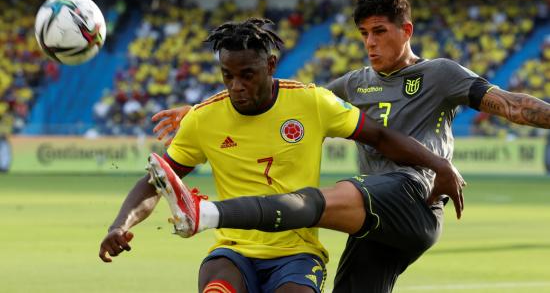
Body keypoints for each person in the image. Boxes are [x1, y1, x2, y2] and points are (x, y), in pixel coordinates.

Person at [150, 0, 550, 293]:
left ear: (406, 31)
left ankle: (208, 215)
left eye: (380, 31)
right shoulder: (354, 84)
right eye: (363, 33)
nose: (370, 42)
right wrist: (204, 109)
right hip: (375, 217)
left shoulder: (440, 73)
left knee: (315, 200)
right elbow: (284, 102)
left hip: (415, 195)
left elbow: (513, 106)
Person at [98, 17, 465, 293]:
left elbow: (381, 136)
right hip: (232, 251)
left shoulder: (310, 102)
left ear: (271, 66)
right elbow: (155, 183)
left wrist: (439, 164)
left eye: (247, 74)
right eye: (227, 75)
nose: (236, 86)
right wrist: (120, 224)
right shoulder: (203, 119)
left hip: (297, 253)